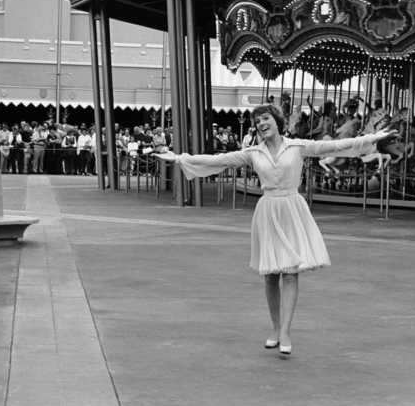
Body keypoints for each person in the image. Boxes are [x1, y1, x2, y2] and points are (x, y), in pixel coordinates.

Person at [155, 104, 395, 355]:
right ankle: (275, 327)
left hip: (292, 209)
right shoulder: (253, 152)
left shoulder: (298, 147)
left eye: (266, 118)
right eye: (257, 120)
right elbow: (219, 161)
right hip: (268, 210)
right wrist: (179, 158)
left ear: (277, 121)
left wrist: (374, 138)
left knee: (290, 272)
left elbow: (336, 146)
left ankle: (285, 332)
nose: (261, 123)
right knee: (271, 273)